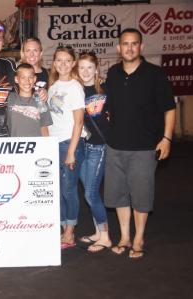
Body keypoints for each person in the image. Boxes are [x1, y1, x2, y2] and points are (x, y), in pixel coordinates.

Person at [104, 28, 176, 259]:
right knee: (119, 195)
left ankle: (138, 238)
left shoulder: (155, 74)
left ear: (141, 47)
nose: (130, 48)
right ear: (119, 48)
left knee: (141, 195)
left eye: (134, 43)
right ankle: (125, 236)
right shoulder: (113, 73)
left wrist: (166, 138)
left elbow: (169, 108)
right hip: (115, 146)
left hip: (145, 147)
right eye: (125, 44)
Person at [47, 46, 86, 250]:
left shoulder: (74, 87)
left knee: (69, 190)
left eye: (67, 60)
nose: (62, 64)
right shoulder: (54, 86)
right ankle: (63, 228)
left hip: (68, 144)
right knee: (58, 190)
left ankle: (70, 232)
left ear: (73, 63)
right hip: (53, 143)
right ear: (54, 63)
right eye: (59, 60)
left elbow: (79, 122)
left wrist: (71, 151)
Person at [76, 52, 112, 252]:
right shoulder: (76, 90)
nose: (86, 71)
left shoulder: (105, 89)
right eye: (82, 67)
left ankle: (106, 236)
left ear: (96, 69)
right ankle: (98, 232)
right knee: (90, 191)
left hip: (99, 146)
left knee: (90, 193)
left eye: (89, 67)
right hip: (83, 146)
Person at [7, 63, 52, 137]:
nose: (27, 81)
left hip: (37, 146)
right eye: (23, 77)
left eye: (30, 77)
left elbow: (44, 128)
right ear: (16, 79)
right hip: (15, 146)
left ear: (34, 79)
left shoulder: (41, 100)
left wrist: (47, 147)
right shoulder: (10, 98)